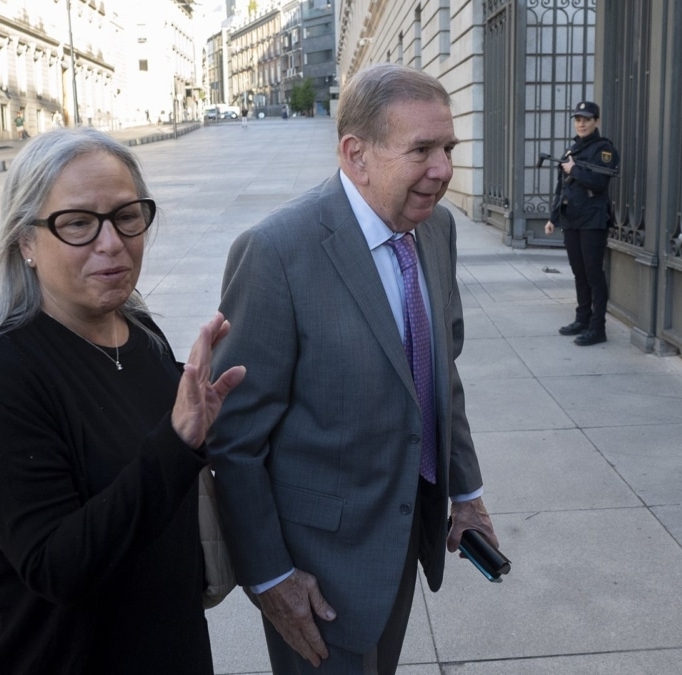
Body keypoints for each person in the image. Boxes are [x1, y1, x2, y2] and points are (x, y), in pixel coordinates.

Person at [208, 63, 498, 675]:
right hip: (317, 575)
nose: (444, 169)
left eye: (448, 147)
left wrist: (466, 493)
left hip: (401, 540)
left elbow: (441, 374)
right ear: (356, 154)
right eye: (421, 149)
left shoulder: (436, 229)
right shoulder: (277, 252)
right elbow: (234, 439)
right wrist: (270, 576)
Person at [0, 127, 246, 674]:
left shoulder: (142, 334)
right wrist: (177, 444)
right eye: (78, 223)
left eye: (127, 216)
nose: (112, 243)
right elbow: (57, 566)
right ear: (25, 242)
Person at [544, 101, 620, 346]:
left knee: (593, 275)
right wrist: (553, 217)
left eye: (587, 119)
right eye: (578, 119)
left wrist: (574, 169)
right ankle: (582, 319)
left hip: (593, 221)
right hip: (572, 219)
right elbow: (562, 187)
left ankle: (598, 328)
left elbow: (600, 183)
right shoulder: (572, 149)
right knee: (579, 274)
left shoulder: (604, 149)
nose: (582, 123)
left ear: (596, 121)